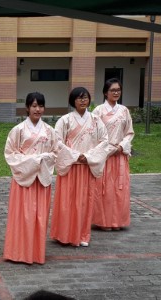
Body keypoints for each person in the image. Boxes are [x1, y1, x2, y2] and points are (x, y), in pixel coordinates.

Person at [3, 92, 58, 264]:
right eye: (34, 106)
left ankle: (35, 252)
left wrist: (42, 160)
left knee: (39, 216)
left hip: (41, 179)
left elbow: (55, 153)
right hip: (23, 178)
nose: (38, 109)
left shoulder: (50, 131)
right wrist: (33, 161)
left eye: (41, 106)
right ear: (27, 108)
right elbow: (10, 154)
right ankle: (18, 252)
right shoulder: (18, 130)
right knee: (22, 215)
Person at [50, 87, 108, 247]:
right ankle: (64, 234)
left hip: (87, 166)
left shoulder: (96, 120)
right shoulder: (65, 120)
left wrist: (88, 156)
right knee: (67, 201)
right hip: (70, 166)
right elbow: (57, 141)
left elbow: (104, 140)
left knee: (85, 201)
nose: (83, 100)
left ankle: (83, 234)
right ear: (73, 101)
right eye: (79, 98)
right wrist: (75, 155)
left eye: (85, 98)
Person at [92, 78, 134, 231]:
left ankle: (117, 221)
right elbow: (94, 134)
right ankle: (104, 221)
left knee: (119, 189)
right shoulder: (98, 111)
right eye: (112, 90)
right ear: (105, 92)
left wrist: (121, 146)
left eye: (118, 90)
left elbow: (129, 132)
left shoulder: (124, 110)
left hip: (120, 155)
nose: (116, 92)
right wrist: (108, 148)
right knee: (104, 189)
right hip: (105, 155)